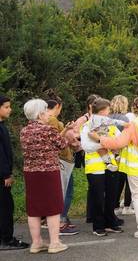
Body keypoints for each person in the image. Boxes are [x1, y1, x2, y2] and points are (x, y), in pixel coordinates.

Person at [94, 96, 138, 239]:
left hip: (137, 166)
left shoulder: (133, 124)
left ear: (134, 108)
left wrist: (100, 139)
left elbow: (119, 143)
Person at [20, 99, 71, 253]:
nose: (48, 114)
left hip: (30, 172)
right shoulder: (48, 130)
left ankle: (36, 243)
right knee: (53, 207)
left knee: (34, 208)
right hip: (49, 172)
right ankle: (55, 243)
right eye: (46, 111)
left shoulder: (24, 131)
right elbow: (62, 145)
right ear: (40, 114)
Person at [81, 98, 127, 236]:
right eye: (108, 110)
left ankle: (110, 222)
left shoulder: (110, 125)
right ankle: (98, 226)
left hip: (111, 165)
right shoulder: (87, 126)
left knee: (112, 196)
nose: (109, 112)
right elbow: (87, 146)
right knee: (98, 197)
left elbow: (120, 141)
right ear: (102, 111)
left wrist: (105, 143)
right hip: (95, 167)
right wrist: (106, 144)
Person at [45, 98, 79, 236]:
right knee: (66, 191)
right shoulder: (52, 120)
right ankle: (61, 221)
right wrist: (67, 130)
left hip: (62, 159)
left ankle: (60, 219)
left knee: (63, 190)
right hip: (62, 159)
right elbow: (55, 140)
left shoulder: (48, 120)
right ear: (58, 106)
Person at [0, 95, 30, 251]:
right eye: (6, 106)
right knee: (5, 207)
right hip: (1, 175)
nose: (9, 109)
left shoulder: (2, 125)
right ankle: (6, 239)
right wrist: (6, 174)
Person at [65, 94, 99, 226]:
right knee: (93, 183)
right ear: (90, 105)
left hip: (99, 154)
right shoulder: (82, 119)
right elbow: (73, 136)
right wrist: (83, 143)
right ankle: (91, 214)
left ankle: (94, 213)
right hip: (87, 154)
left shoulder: (99, 118)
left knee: (95, 184)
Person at [109, 95, 133, 217]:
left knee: (112, 181)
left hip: (108, 151)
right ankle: (124, 205)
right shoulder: (125, 119)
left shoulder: (107, 117)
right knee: (122, 179)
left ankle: (113, 204)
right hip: (121, 152)